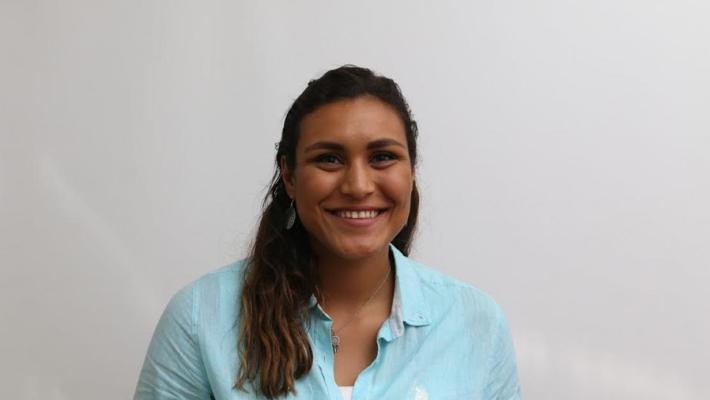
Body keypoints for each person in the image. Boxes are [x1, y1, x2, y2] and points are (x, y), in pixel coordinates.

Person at [134, 65, 521, 400]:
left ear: (412, 171)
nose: (358, 185)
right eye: (329, 159)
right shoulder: (200, 318)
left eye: (382, 157)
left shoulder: (477, 324)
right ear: (289, 176)